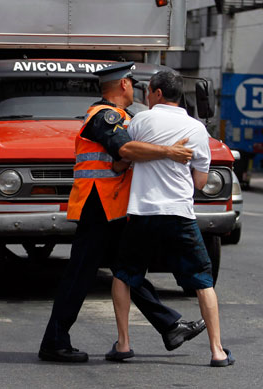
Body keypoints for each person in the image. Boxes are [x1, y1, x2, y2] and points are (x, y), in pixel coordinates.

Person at [38, 62, 206, 363]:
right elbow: (126, 151)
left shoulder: (122, 117)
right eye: (132, 82)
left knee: (127, 271)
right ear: (123, 85)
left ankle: (170, 326)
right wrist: (170, 152)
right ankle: (54, 341)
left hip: (110, 204)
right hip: (98, 204)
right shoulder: (103, 116)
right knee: (81, 273)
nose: (135, 88)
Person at [109, 71, 234, 367]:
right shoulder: (196, 128)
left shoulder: (140, 121)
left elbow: (121, 160)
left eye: (149, 91)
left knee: (123, 275)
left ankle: (124, 344)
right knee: (203, 281)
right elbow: (201, 182)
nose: (147, 96)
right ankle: (217, 351)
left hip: (143, 212)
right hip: (179, 213)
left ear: (158, 93)